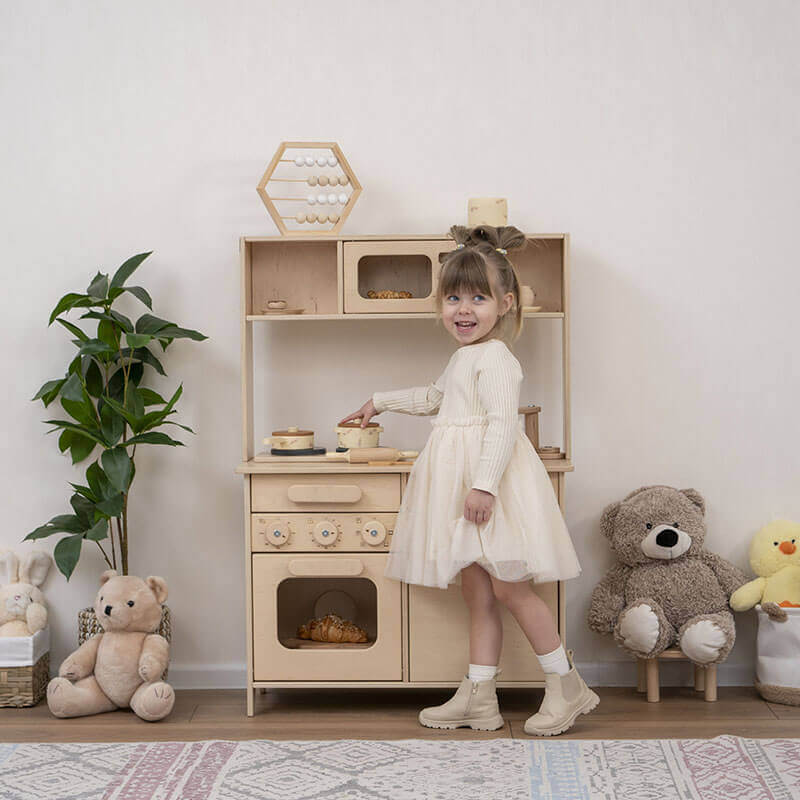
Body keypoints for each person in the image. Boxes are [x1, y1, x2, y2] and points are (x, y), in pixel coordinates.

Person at [339, 224, 598, 736]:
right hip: (466, 490)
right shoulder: (465, 357)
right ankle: (480, 696)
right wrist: (380, 401)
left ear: (505, 304)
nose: (463, 309)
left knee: (510, 588)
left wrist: (483, 485)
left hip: (489, 489)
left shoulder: (497, 359)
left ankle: (566, 685)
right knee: (477, 593)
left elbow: (502, 425)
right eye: (453, 298)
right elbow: (436, 399)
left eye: (478, 298)